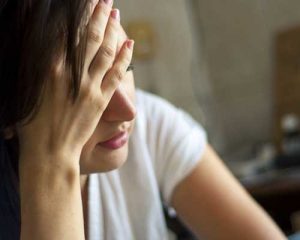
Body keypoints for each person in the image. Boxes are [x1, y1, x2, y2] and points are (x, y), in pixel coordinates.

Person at [0, 0, 287, 239]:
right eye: (80, 91)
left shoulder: (151, 125)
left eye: (125, 67)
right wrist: (53, 160)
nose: (128, 111)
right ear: (9, 116)